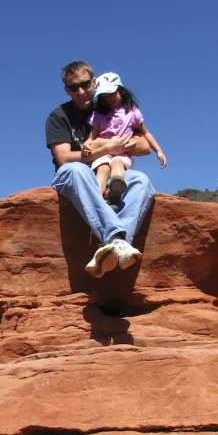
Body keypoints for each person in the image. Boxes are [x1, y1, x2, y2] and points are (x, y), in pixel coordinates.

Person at [46, 61, 156, 279]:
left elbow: (144, 146)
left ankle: (114, 249)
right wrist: (107, 147)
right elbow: (64, 157)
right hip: (76, 177)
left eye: (85, 84)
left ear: (94, 83)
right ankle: (116, 238)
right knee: (76, 170)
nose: (81, 91)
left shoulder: (111, 106)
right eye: (74, 87)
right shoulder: (59, 116)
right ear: (67, 90)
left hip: (110, 172)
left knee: (141, 180)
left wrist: (118, 146)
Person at [84, 72, 166, 211]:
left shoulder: (132, 112)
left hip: (122, 153)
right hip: (104, 152)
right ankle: (96, 200)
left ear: (120, 90)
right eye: (105, 96)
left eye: (112, 93)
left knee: (118, 163)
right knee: (103, 169)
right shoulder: (98, 115)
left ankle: (116, 193)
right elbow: (92, 137)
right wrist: (87, 143)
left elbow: (145, 132)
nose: (109, 98)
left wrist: (158, 151)